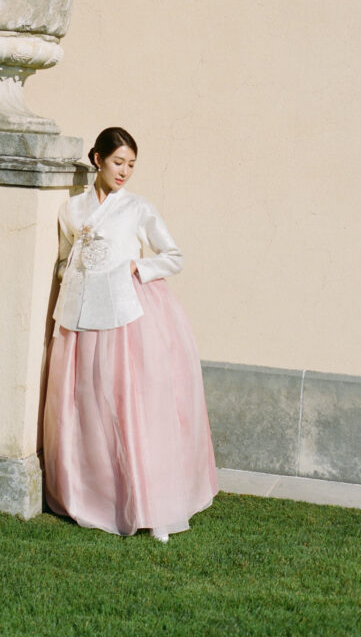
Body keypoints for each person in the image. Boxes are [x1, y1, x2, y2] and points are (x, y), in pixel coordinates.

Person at [43, 126, 218, 541]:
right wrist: (75, 271)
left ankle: (152, 503)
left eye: (131, 165)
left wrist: (140, 266)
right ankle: (95, 496)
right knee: (88, 404)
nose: (124, 172)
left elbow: (173, 256)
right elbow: (65, 258)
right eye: (118, 162)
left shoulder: (139, 208)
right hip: (82, 316)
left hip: (129, 317)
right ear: (97, 159)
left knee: (133, 403)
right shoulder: (72, 210)